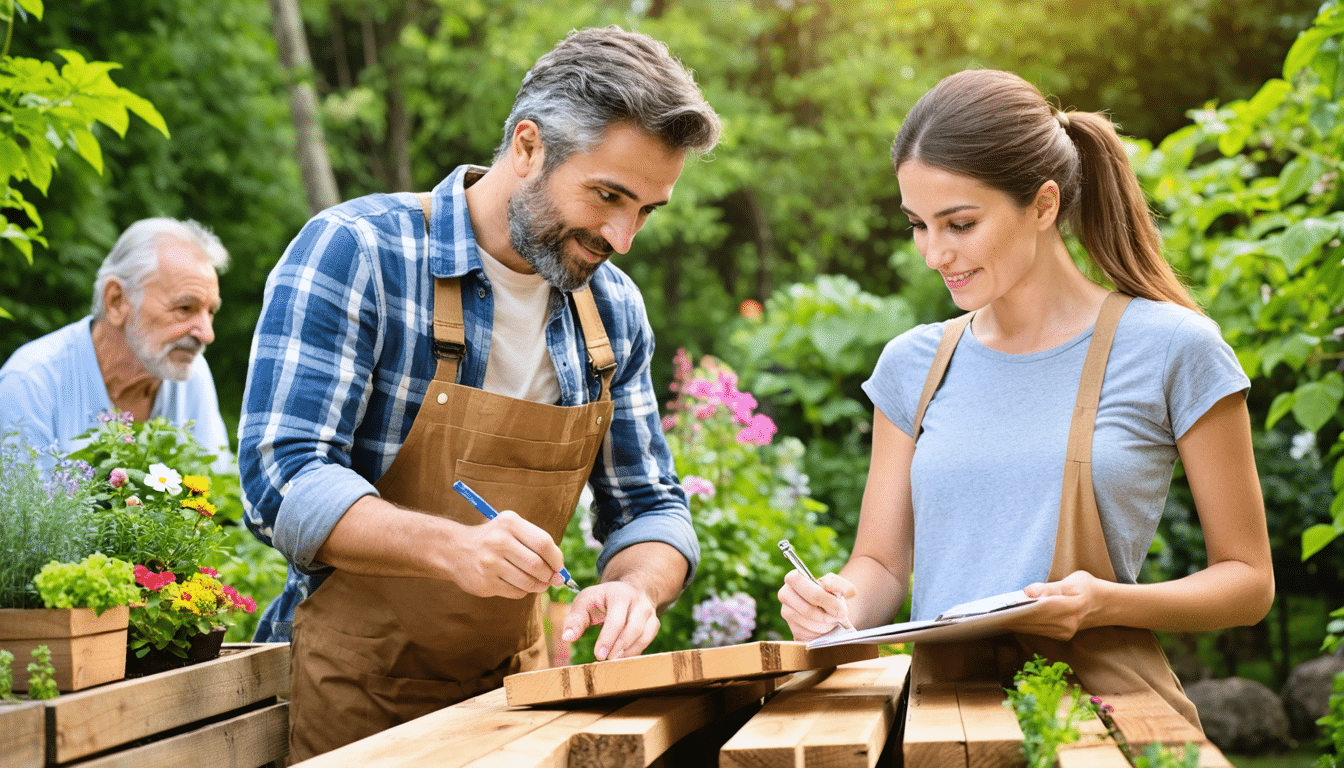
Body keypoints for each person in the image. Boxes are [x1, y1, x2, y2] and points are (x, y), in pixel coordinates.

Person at [238, 25, 720, 760]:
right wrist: (452, 548)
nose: (623, 236)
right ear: (527, 147)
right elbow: (281, 480)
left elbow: (650, 505)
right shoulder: (358, 251)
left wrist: (635, 587)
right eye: (608, 195)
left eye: (647, 210)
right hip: (352, 696)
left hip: (514, 702)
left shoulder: (612, 310)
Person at [778, 69, 1274, 726]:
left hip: (1103, 724)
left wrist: (1104, 604)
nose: (933, 253)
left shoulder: (1173, 348)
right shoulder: (913, 365)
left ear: (1043, 205)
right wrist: (840, 607)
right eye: (918, 225)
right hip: (944, 725)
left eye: (958, 223)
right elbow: (880, 565)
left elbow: (1247, 582)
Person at [0, 218, 231, 466]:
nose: (207, 335)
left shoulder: (192, 373)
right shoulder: (30, 384)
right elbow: (24, 505)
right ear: (117, 301)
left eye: (210, 312)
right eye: (185, 308)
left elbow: (219, 490)